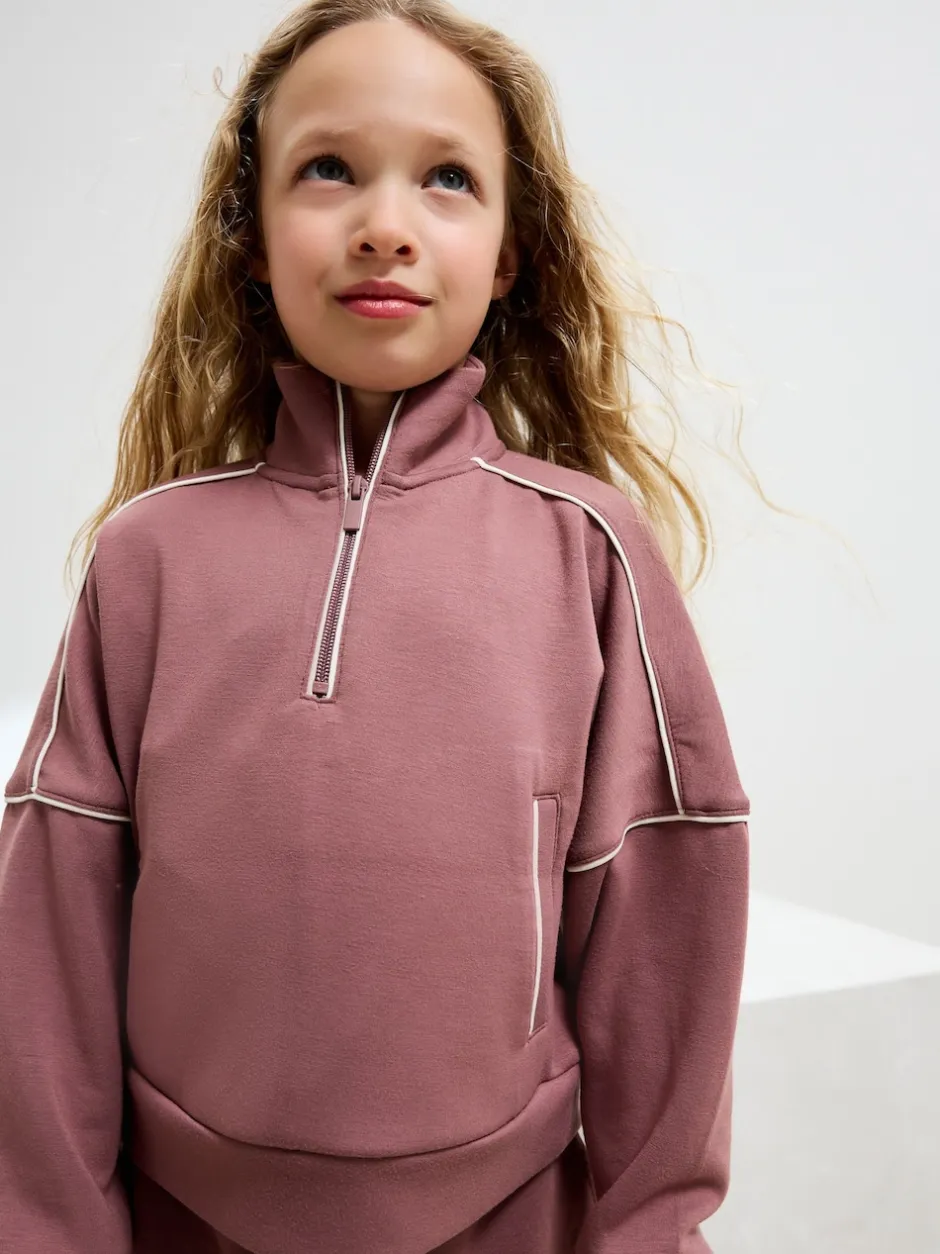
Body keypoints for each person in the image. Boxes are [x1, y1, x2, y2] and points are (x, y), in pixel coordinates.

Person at [0, 2, 761, 1252]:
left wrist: (649, 1234)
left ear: (511, 253)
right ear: (249, 238)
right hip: (180, 1219)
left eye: (448, 178)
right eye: (327, 169)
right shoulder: (149, 557)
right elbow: (54, 927)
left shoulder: (590, 549)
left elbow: (666, 913)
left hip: (508, 1220)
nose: (384, 225)